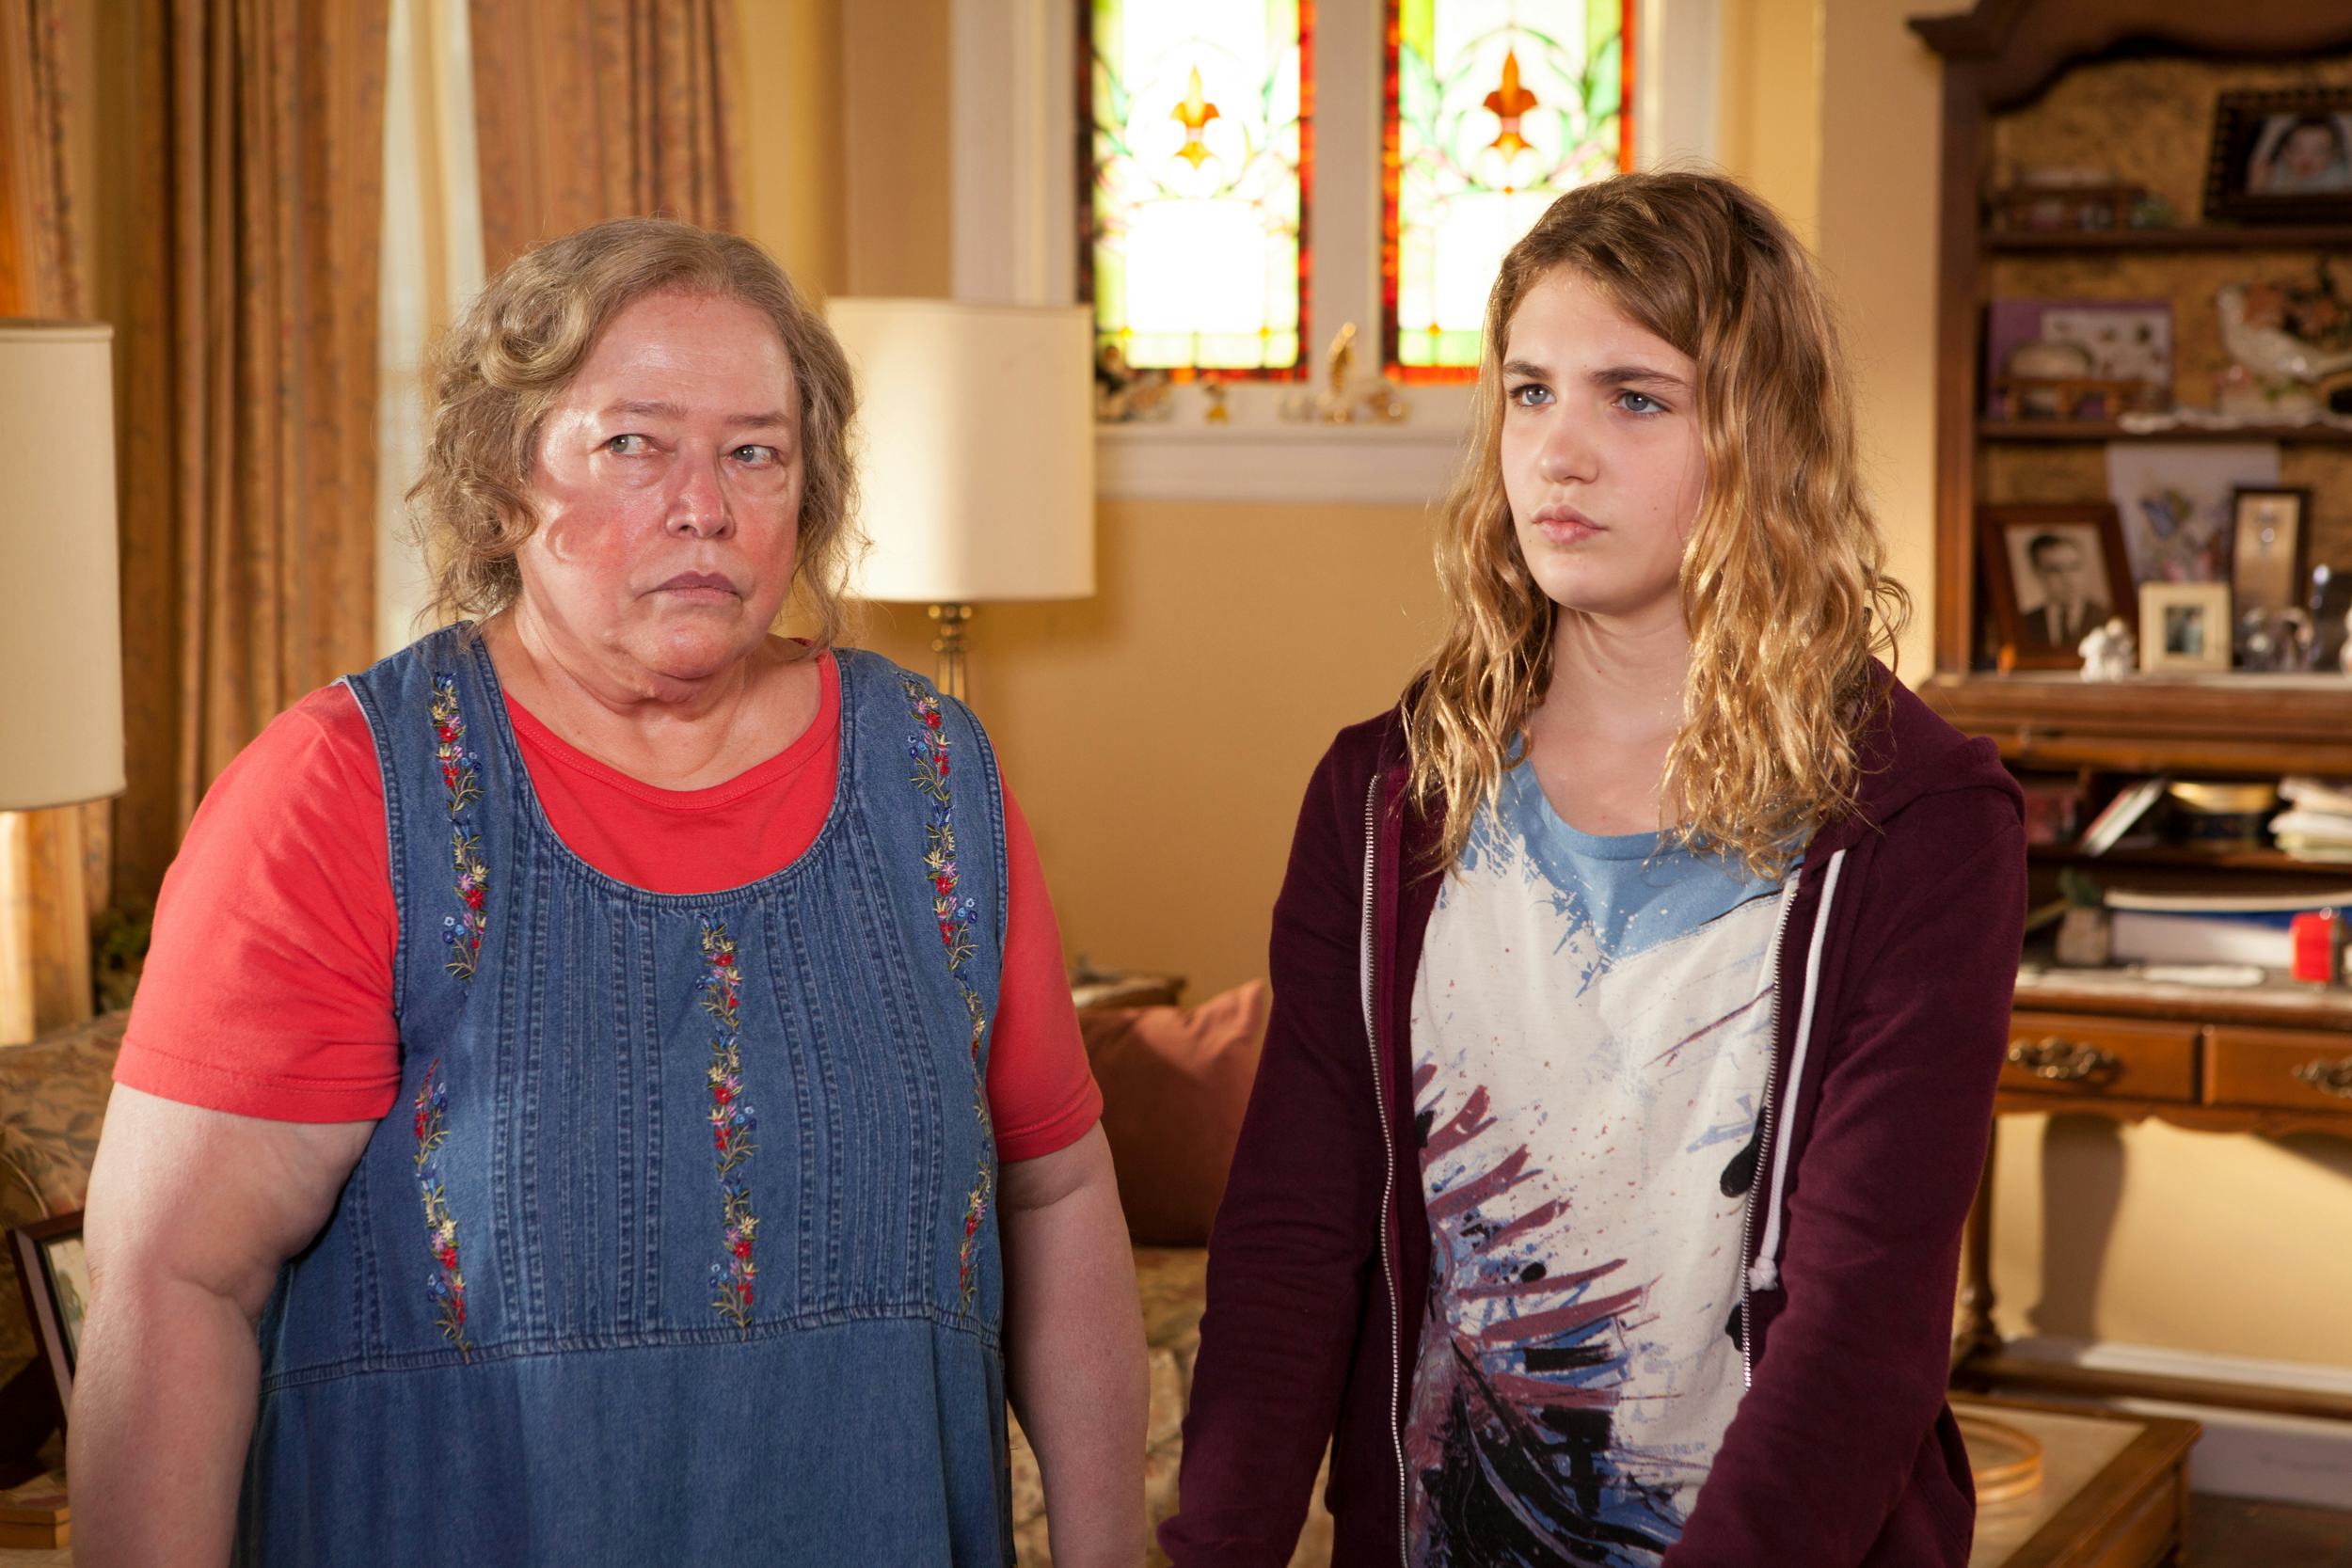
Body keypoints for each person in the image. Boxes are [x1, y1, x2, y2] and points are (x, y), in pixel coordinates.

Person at [71, 217, 1147, 1566]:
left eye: (755, 451)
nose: (705, 505)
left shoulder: (932, 770)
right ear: (503, 476)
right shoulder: (339, 789)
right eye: (634, 443)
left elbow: (1055, 1193)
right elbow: (175, 1282)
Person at [1163, 171, 2025, 1566]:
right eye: (1529, 391)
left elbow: (1863, 1328)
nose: (1558, 453)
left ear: (1761, 437)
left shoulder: (1916, 823)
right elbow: (1290, 1233)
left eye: (1634, 397)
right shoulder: (1385, 798)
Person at [2017, 531, 2108, 654]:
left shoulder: (2107, 617)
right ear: (2037, 573)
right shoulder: (2024, 624)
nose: (2068, 579)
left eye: (2073, 567)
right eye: (2055, 570)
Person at [2250, 113, 2352, 196]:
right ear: (2285, 152)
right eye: (2297, 150)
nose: (2307, 159)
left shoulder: (2338, 178)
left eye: (2319, 151)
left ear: (2332, 155)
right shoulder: (2274, 175)